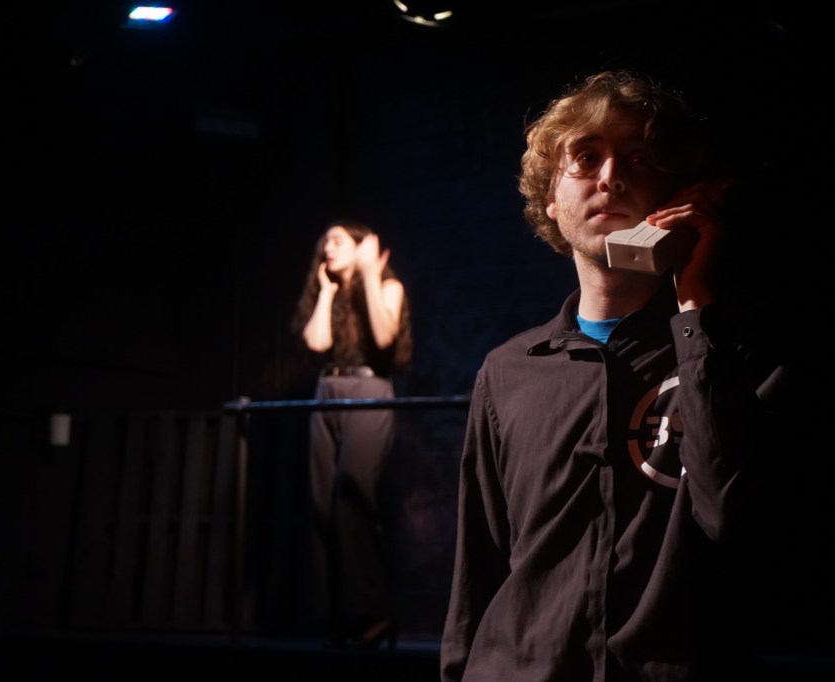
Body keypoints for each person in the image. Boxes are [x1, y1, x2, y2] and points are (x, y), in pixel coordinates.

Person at [440, 69, 790, 681]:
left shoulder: (733, 353)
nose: (611, 177)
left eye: (638, 157)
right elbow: (479, 566)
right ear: (552, 199)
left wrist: (695, 306)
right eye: (586, 157)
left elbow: (731, 515)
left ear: (675, 194)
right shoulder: (507, 371)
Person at [291, 218, 411, 650]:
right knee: (322, 502)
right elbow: (317, 343)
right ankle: (336, 616)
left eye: (339, 241)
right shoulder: (329, 293)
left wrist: (369, 275)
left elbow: (384, 335)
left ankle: (374, 614)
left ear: (362, 247)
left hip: (368, 389)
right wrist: (326, 292)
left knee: (351, 498)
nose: (328, 248)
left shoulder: (388, 287)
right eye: (325, 242)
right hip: (327, 391)